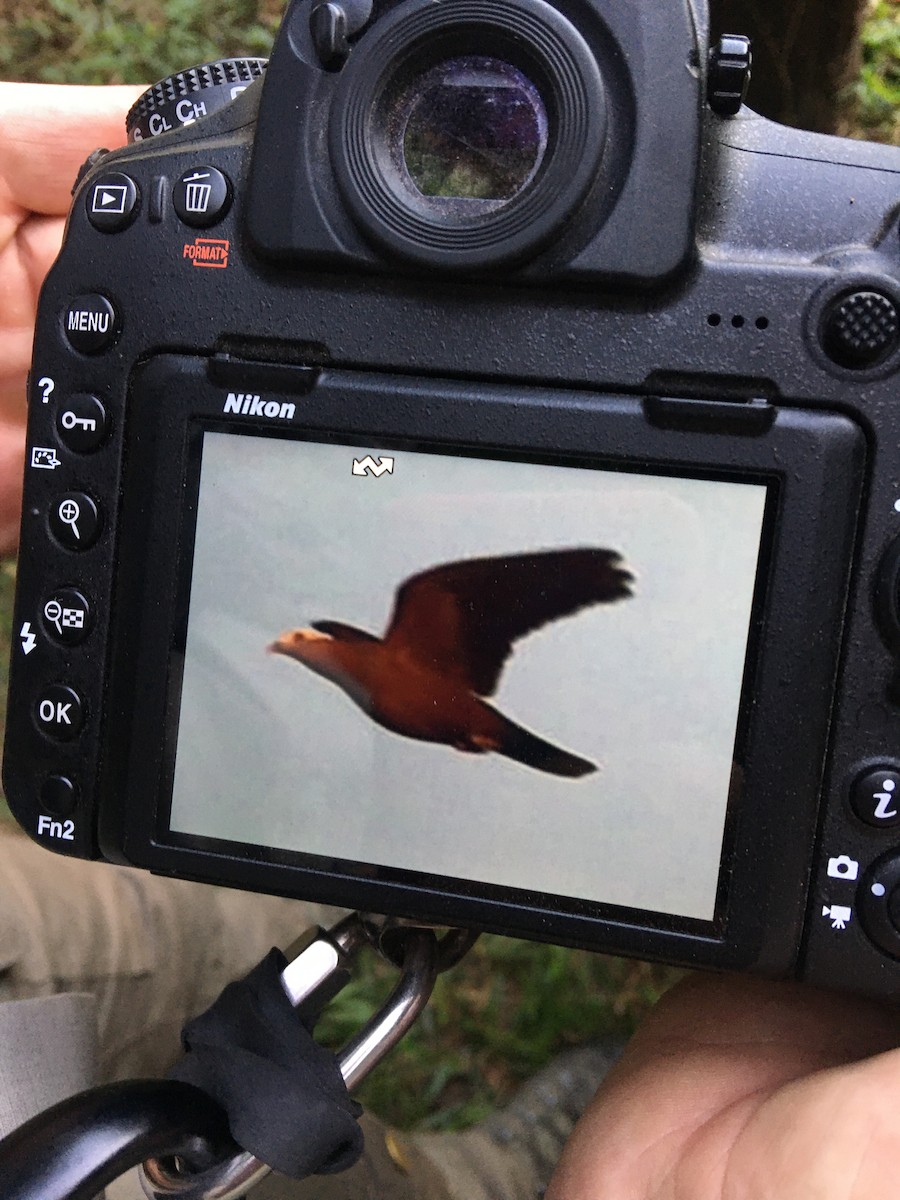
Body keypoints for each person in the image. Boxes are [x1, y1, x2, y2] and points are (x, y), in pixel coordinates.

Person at [2, 80, 900, 1200]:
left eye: (303, 638)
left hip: (452, 743)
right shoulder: (373, 657)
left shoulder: (416, 618)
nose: (294, 645)